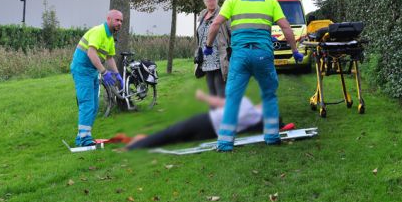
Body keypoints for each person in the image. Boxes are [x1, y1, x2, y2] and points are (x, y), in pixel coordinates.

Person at [204, 0, 304, 152]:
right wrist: (295, 51)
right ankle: (272, 136)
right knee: (269, 94)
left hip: (240, 56)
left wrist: (208, 46)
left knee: (233, 98)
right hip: (263, 55)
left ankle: (225, 142)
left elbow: (215, 25)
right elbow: (286, 28)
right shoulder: (270, 1)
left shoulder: (232, 1)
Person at [122, 90, 293, 150]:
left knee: (171, 133)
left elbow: (220, 102)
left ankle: (136, 145)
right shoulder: (253, 122)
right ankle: (142, 143)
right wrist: (283, 126)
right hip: (209, 132)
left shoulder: (248, 107)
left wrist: (203, 96)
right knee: (175, 138)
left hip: (206, 122)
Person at [70, 10, 124, 146]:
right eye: (117, 20)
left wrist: (117, 75)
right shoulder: (99, 31)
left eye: (121, 21)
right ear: (109, 19)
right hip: (82, 70)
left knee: (94, 105)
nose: (119, 23)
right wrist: (104, 72)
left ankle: (83, 136)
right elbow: (91, 53)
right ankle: (83, 140)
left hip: (92, 71)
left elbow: (110, 57)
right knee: (87, 103)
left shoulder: (110, 37)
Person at [196, 0, 231, 97]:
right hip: (206, 59)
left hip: (220, 57)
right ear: (205, 2)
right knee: (211, 89)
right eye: (209, 0)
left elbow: (232, 32)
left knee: (220, 89)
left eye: (213, 0)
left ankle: (224, 112)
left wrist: (231, 50)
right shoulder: (202, 14)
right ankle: (215, 112)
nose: (211, 2)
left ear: (217, 0)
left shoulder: (224, 13)